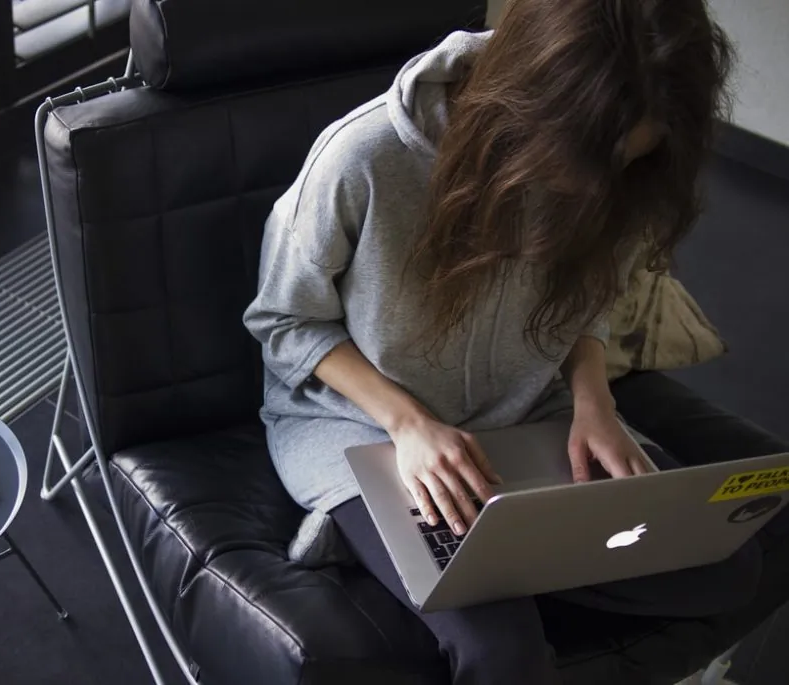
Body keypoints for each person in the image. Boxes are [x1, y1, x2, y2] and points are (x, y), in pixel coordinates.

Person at [242, 1, 761, 683]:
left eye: (627, 161)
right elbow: (283, 321)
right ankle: (381, 530)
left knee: (730, 564)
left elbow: (590, 299)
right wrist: (411, 425)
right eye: (588, 159)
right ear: (531, 102)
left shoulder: (626, 165)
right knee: (502, 654)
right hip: (362, 425)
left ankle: (478, 558)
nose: (600, 186)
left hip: (526, 413)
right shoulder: (362, 158)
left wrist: (593, 399)